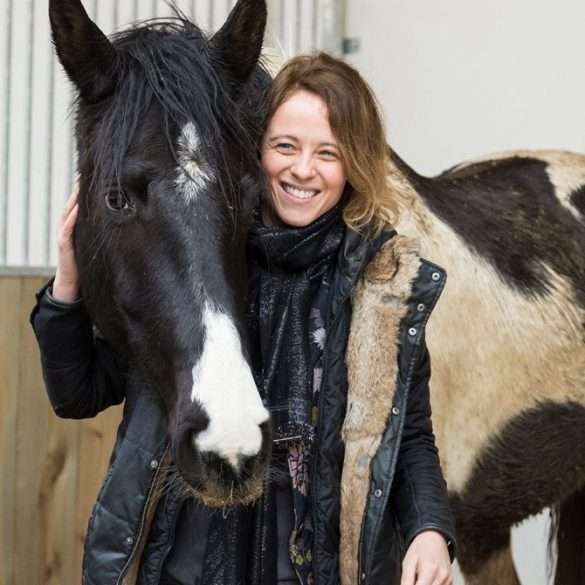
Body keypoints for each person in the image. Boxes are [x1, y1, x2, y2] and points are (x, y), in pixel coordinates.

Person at [31, 52, 455, 585]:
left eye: (328, 152)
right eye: (285, 146)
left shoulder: (380, 290)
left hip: (306, 566)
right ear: (254, 151)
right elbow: (77, 393)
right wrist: (66, 287)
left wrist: (430, 531)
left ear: (355, 163)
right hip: (187, 563)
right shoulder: (199, 269)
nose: (303, 169)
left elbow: (410, 434)